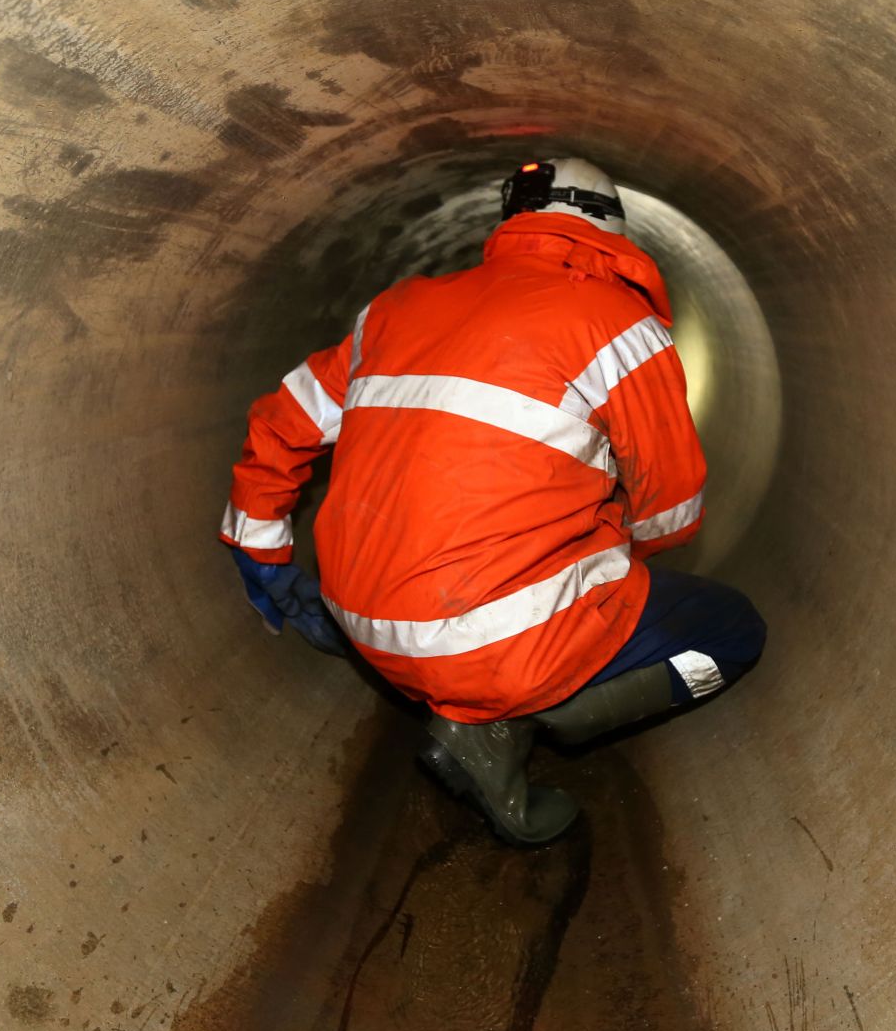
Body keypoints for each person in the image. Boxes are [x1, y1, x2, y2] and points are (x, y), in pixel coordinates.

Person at [219, 157, 766, 846]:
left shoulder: (395, 308)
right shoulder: (621, 326)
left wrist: (263, 552)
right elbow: (671, 510)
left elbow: (282, 424)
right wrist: (608, 546)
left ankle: (488, 704)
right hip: (497, 643)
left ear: (512, 219)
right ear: (612, 230)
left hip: (359, 622)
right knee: (734, 632)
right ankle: (517, 719)